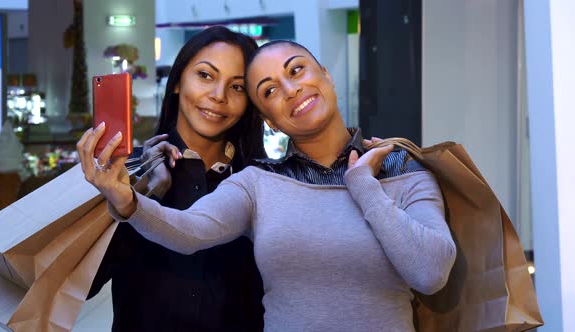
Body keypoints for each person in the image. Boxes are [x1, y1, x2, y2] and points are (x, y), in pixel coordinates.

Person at [78, 40, 456, 331]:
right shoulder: (259, 181)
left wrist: (365, 187)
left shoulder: (399, 166)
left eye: (297, 70)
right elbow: (189, 231)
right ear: (269, 121)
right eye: (269, 90)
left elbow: (431, 273)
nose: (290, 90)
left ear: (326, 75)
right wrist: (127, 200)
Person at [85, 26, 266, 332]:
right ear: (178, 82)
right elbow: (84, 286)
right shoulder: (123, 171)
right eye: (205, 75)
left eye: (237, 87)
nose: (218, 96)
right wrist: (144, 194)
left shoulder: (262, 181)